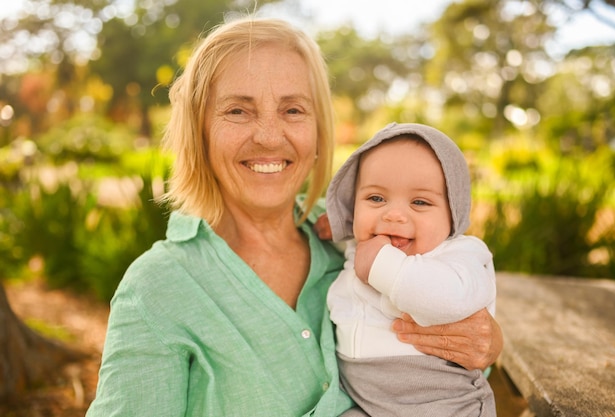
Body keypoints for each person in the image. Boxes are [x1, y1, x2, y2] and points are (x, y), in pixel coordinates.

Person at [86, 16, 502, 417]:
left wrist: (487, 341)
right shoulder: (158, 288)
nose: (269, 136)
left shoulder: (365, 236)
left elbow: (450, 373)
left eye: (293, 111)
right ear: (200, 133)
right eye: (237, 110)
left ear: (318, 132)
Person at [323, 122, 497, 416]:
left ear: (453, 212)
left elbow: (453, 298)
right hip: (366, 401)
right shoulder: (364, 244)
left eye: (419, 202)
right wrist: (336, 224)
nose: (393, 215)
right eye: (376, 198)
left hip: (440, 402)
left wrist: (383, 267)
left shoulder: (460, 254)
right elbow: (357, 247)